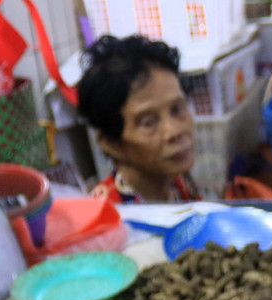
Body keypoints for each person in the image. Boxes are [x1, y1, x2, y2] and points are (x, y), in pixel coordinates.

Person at [78, 35, 205, 204]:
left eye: (177, 110)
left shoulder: (178, 183)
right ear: (111, 143)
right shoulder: (109, 218)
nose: (174, 131)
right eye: (148, 123)